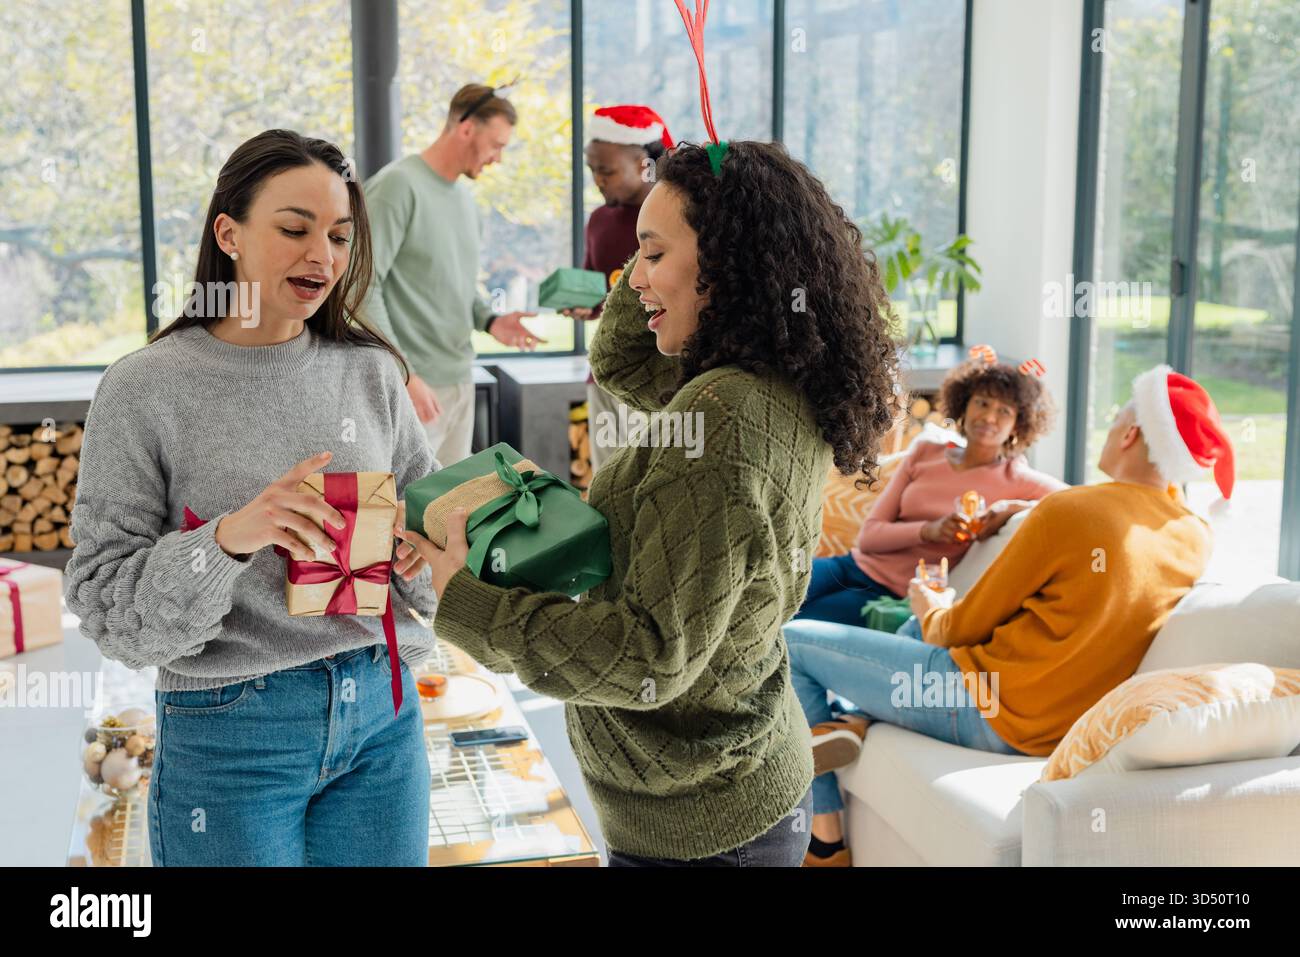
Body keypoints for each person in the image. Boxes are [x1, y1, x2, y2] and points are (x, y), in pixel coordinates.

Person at [395, 139, 903, 867]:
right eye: (637, 254)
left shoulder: (724, 420)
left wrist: (467, 602)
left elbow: (649, 656)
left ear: (728, 267)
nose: (635, 279)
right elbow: (623, 362)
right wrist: (666, 217)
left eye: (656, 254)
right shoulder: (762, 382)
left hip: (705, 831)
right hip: (736, 787)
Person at [64, 130, 439, 866]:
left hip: (382, 718)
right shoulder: (146, 388)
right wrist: (230, 537)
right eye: (295, 229)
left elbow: (429, 557)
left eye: (338, 235)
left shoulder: (372, 371)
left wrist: (419, 547)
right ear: (227, 233)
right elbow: (107, 609)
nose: (323, 257)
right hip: (230, 733)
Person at [786, 364, 1229, 866]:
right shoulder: (1195, 536)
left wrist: (932, 605)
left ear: (1130, 434)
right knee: (900, 633)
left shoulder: (1069, 513)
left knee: (791, 641)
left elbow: (960, 627)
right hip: (1053, 726)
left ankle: (824, 841)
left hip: (982, 702)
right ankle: (853, 719)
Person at [796, 356, 1067, 626]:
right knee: (771, 588)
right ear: (964, 404)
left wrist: (1011, 508)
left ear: (1018, 425)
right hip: (848, 566)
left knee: (791, 627)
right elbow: (869, 538)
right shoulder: (926, 452)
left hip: (889, 596)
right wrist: (929, 530)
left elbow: (1076, 500)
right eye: (982, 403)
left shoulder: (1018, 478)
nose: (988, 417)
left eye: (1004, 411)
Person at [362, 82, 542, 467]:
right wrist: (404, 375)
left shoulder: (467, 201)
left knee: (448, 513)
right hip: (414, 387)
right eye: (496, 145)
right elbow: (361, 286)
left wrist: (490, 320)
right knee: (401, 515)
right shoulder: (398, 187)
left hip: (460, 381)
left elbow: (456, 285)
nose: (498, 158)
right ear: (465, 128)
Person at [564, 104, 674, 473]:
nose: (597, 179)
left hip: (665, 378)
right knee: (609, 482)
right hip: (607, 378)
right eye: (592, 170)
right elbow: (598, 293)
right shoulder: (598, 221)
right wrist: (583, 306)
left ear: (644, 163)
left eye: (606, 170)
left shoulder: (677, 219)